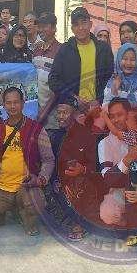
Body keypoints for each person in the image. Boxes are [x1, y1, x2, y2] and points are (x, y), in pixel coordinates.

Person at [0, 87, 55, 235]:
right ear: (3, 105)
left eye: (16, 102)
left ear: (23, 103)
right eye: (8, 103)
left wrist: (41, 179)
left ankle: (24, 214)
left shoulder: (36, 129)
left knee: (36, 202)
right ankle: (6, 210)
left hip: (26, 186)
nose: (12, 106)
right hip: (2, 187)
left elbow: (48, 160)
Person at [98, 99, 137, 228]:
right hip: (118, 191)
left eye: (120, 115)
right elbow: (108, 179)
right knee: (108, 213)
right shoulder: (105, 143)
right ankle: (124, 227)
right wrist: (127, 159)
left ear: (129, 114)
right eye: (111, 116)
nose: (115, 120)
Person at [53, 99, 103, 239]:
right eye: (59, 112)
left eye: (65, 113)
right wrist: (55, 179)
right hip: (65, 180)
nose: (61, 116)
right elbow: (53, 163)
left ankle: (81, 223)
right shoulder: (56, 137)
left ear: (74, 114)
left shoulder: (86, 135)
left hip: (86, 179)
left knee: (80, 183)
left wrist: (83, 170)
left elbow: (96, 165)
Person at [49, 6, 114, 110]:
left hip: (98, 109)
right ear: (72, 29)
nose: (80, 28)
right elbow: (53, 80)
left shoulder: (103, 49)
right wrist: (74, 98)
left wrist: (99, 100)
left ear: (90, 24)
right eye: (76, 24)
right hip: (71, 109)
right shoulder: (65, 49)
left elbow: (110, 77)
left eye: (84, 23)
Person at [102, 43, 137, 126]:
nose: (128, 63)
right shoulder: (113, 81)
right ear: (118, 59)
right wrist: (114, 90)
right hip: (115, 129)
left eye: (132, 59)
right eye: (124, 59)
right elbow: (105, 109)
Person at [33, 12, 61, 131]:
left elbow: (59, 87)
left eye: (44, 26)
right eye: (39, 26)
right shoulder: (36, 51)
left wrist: (45, 112)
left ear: (54, 28)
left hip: (53, 119)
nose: (40, 30)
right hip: (34, 115)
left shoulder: (61, 51)